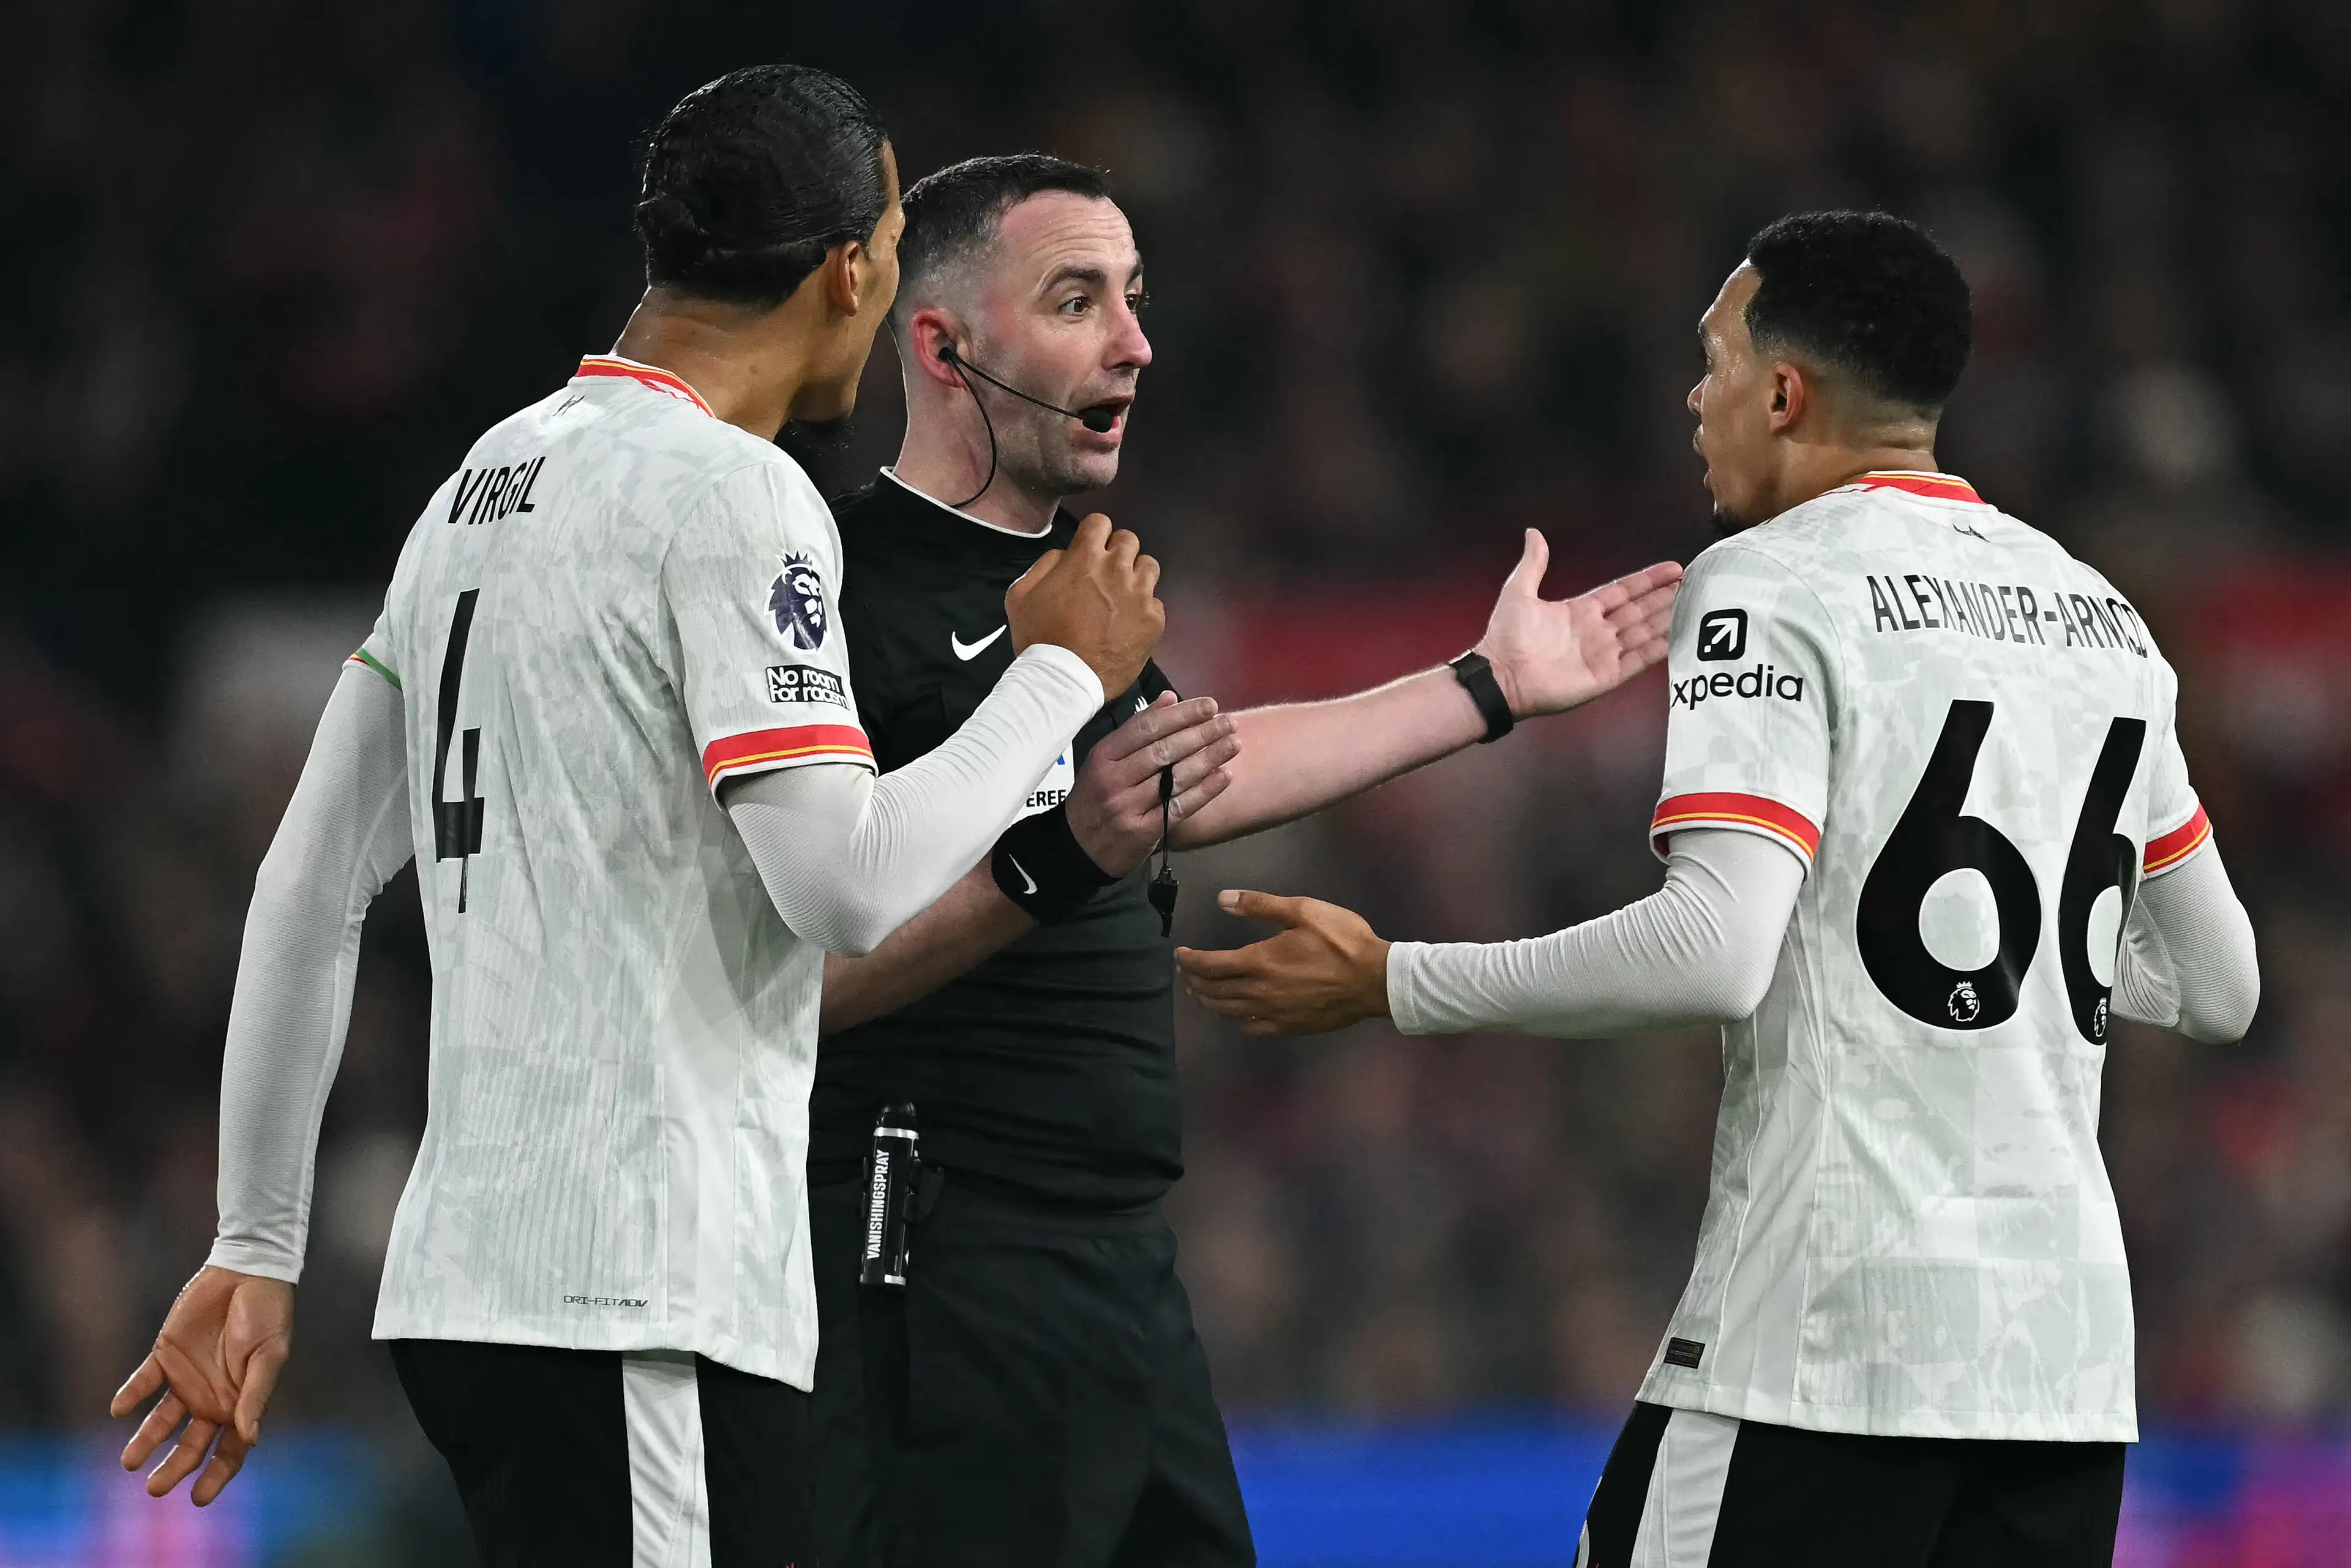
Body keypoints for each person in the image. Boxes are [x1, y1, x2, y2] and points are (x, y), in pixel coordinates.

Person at [108, 67, 1165, 1568]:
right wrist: (1063, 671)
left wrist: (256, 1240)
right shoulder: (736, 498)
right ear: (854, 269)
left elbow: (306, 881)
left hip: (476, 1291)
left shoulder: (480, 486)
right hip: (637, 1297)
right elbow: (845, 883)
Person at [1177, 211, 2262, 1567]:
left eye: (1715, 359)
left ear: (1787, 393)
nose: (1699, 398)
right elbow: (2221, 986)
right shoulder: (2105, 619)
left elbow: (1712, 948)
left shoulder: (1772, 583)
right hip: (2062, 1373)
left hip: (1822, 1348)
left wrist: (1396, 978)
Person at [806, 152, 1682, 1568]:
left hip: (1119, 1272)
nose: (1136, 342)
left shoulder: (1077, 581)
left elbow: (1194, 774)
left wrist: (1486, 686)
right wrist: (1065, 846)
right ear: (946, 344)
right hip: (930, 1269)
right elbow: (804, 976)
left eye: (1136, 299)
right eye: (1078, 298)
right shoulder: (832, 588)